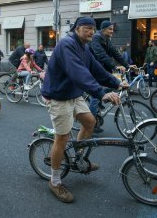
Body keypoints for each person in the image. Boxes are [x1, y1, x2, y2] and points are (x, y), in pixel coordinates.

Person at [41, 16, 128, 203]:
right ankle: (55, 182)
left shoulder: (84, 47)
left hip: (73, 93)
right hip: (59, 96)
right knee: (62, 138)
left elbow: (95, 69)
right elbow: (78, 72)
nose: (91, 32)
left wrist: (116, 83)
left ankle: (78, 159)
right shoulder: (67, 45)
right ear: (77, 28)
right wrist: (100, 93)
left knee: (90, 122)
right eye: (87, 28)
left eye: (93, 29)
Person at [89, 20, 134, 133]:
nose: (112, 31)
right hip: (95, 70)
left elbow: (115, 53)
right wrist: (115, 66)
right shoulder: (96, 38)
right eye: (110, 29)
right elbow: (101, 55)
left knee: (118, 84)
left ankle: (102, 98)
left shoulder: (107, 40)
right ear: (103, 29)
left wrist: (128, 65)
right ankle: (91, 123)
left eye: (113, 29)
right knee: (95, 96)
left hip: (104, 69)